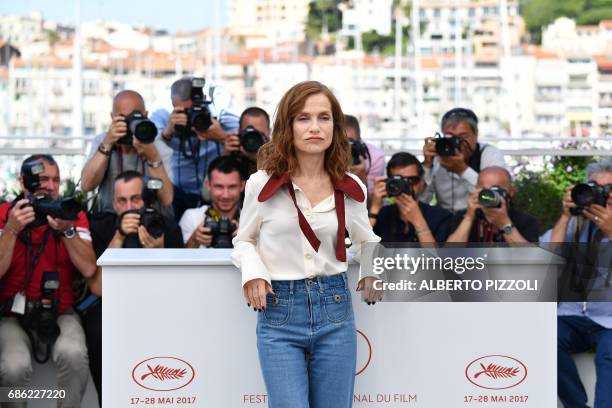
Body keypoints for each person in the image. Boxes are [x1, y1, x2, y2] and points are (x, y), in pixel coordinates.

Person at [231, 81, 381, 408]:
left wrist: (371, 271)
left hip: (336, 306)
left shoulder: (350, 185)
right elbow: (244, 240)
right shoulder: (261, 183)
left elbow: (366, 238)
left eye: (324, 118)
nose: (315, 127)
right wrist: (254, 273)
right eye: (303, 118)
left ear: (335, 126)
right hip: (279, 311)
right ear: (287, 126)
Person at [0, 155, 97, 408]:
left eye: (56, 180)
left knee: (74, 354)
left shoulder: (69, 214)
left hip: (60, 311)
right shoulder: (4, 215)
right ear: (23, 182)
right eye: (43, 179)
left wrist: (67, 230)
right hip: (13, 314)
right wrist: (11, 229)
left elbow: (88, 268)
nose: (51, 186)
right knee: (13, 367)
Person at [82, 170, 184, 404]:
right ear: (113, 203)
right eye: (122, 201)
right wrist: (118, 237)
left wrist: (159, 253)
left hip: (158, 302)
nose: (129, 207)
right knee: (97, 329)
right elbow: (98, 288)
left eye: (135, 199)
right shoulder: (101, 227)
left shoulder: (166, 226)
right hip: (113, 303)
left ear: (147, 199)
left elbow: (178, 287)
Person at [544, 159, 612, 408]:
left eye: (607, 189)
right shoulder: (575, 223)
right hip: (572, 315)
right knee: (542, 335)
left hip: (609, 321)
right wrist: (564, 216)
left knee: (610, 355)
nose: (600, 195)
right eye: (594, 187)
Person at [151, 77, 240, 220]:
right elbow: (149, 146)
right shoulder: (163, 109)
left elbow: (244, 140)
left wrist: (221, 136)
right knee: (179, 235)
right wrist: (168, 132)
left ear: (204, 99)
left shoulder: (219, 105)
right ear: (174, 105)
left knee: (210, 229)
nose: (192, 116)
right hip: (178, 194)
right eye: (186, 112)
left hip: (213, 196)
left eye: (195, 110)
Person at [81, 90, 174, 214]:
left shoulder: (157, 145)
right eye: (123, 118)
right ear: (113, 118)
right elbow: (87, 185)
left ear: (146, 116)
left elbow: (167, 200)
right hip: (112, 221)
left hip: (151, 221)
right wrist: (107, 144)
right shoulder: (103, 141)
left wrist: (153, 157)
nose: (130, 124)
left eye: (135, 117)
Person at [420, 108, 506, 212]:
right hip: (445, 220)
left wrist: (463, 171)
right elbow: (422, 200)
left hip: (481, 218)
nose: (457, 142)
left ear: (476, 134)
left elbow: (494, 199)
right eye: (450, 136)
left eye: (463, 136)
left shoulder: (489, 154)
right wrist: (427, 166)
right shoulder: (438, 157)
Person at [372, 152, 452, 244]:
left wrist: (419, 222)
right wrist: (374, 209)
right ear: (389, 182)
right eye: (398, 181)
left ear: (422, 182)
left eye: (412, 180)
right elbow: (358, 252)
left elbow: (436, 258)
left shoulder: (441, 216)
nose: (407, 186)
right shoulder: (382, 214)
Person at [446, 167, 540, 243]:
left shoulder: (525, 221)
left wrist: (505, 224)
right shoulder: (462, 217)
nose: (489, 196)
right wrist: (469, 218)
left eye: (495, 190)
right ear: (476, 190)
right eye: (484, 190)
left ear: (511, 192)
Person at [180, 156, 245, 248]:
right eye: (219, 186)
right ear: (208, 185)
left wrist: (248, 241)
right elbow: (180, 260)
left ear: (242, 185)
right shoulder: (192, 218)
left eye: (232, 187)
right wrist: (194, 240)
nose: (225, 195)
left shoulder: (253, 221)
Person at [223, 107, 271, 178]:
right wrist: (225, 160)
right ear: (239, 132)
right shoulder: (234, 151)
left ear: (269, 132)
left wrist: (261, 162)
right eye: (249, 133)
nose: (253, 140)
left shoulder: (279, 157)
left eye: (259, 134)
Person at [344, 114, 385, 194]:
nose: (345, 147)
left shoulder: (375, 157)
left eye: (350, 142)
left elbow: (371, 204)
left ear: (360, 141)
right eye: (339, 142)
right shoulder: (324, 153)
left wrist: (362, 179)